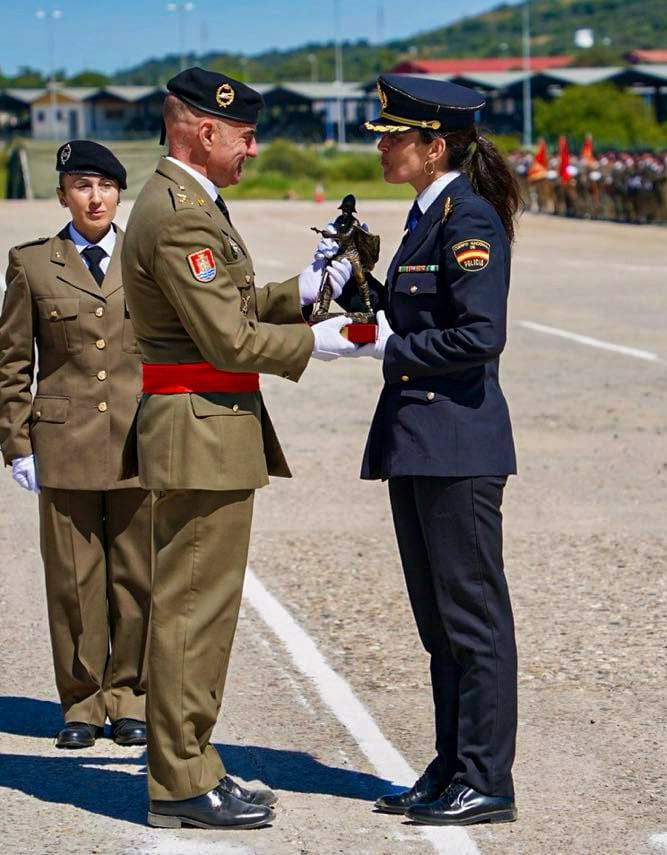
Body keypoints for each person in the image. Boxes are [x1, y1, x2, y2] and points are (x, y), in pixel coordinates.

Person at [118, 67, 358, 830]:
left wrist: (304, 288)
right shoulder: (180, 212)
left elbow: (233, 301)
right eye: (245, 134)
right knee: (194, 609)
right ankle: (181, 781)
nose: (253, 148)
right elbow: (228, 336)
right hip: (199, 429)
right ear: (203, 130)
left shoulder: (187, 202)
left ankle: (192, 764)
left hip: (205, 428)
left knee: (201, 607)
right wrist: (321, 341)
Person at [357, 73, 521, 826]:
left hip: (457, 442)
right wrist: (358, 289)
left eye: (396, 136)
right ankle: (453, 761)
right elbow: (415, 310)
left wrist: (392, 346)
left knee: (472, 619)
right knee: (437, 623)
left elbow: (482, 334)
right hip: (419, 442)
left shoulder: (468, 218)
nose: (385, 146)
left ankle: (487, 776)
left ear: (435, 146)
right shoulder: (426, 218)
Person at [0, 140, 151, 750]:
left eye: (106, 187)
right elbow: (13, 363)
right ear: (62, 194)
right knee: (74, 583)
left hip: (138, 441)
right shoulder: (32, 264)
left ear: (119, 193)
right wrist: (17, 443)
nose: (95, 197)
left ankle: (132, 696)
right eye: (82, 186)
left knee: (139, 579)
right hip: (63, 446)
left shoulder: (144, 258)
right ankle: (83, 702)